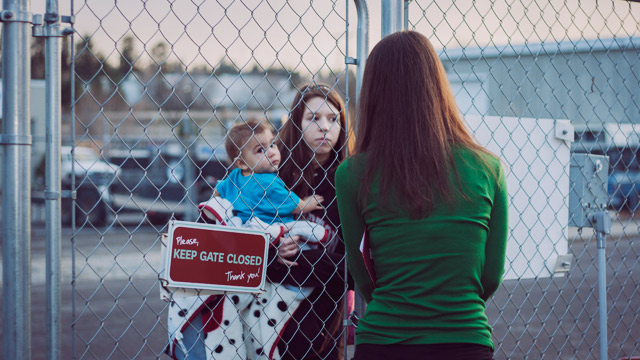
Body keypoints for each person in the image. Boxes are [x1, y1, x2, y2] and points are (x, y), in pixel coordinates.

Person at [335, 31, 509, 360]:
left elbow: (364, 276)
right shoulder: (489, 168)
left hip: (383, 343)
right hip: (465, 340)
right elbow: (490, 276)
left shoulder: (352, 174)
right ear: (437, 85)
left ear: (373, 92)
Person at [271, 82, 351, 360]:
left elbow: (352, 269)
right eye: (313, 118)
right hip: (273, 321)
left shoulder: (349, 182)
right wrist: (275, 252)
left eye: (333, 119)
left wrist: (307, 261)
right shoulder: (274, 178)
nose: (325, 127)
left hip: (326, 323)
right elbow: (249, 254)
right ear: (297, 122)